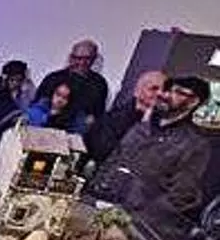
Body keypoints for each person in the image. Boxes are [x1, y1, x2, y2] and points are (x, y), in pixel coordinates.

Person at [89, 76, 212, 221]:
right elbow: (113, 159)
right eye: (166, 90)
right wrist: (93, 192)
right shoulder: (141, 127)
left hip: (133, 220)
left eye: (177, 92)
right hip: (99, 203)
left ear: (193, 102)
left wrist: (139, 217)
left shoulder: (194, 145)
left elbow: (181, 195)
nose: (164, 95)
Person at [85, 70, 167, 165]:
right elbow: (102, 152)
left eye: (163, 91)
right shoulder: (113, 118)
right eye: (153, 89)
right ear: (138, 90)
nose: (159, 94)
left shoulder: (164, 128)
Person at [34, 40, 109, 127]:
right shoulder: (53, 79)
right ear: (71, 57)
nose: (82, 63)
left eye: (87, 59)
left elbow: (98, 114)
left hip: (81, 131)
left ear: (94, 59)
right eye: (78, 58)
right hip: (48, 128)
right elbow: (37, 107)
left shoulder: (99, 83)